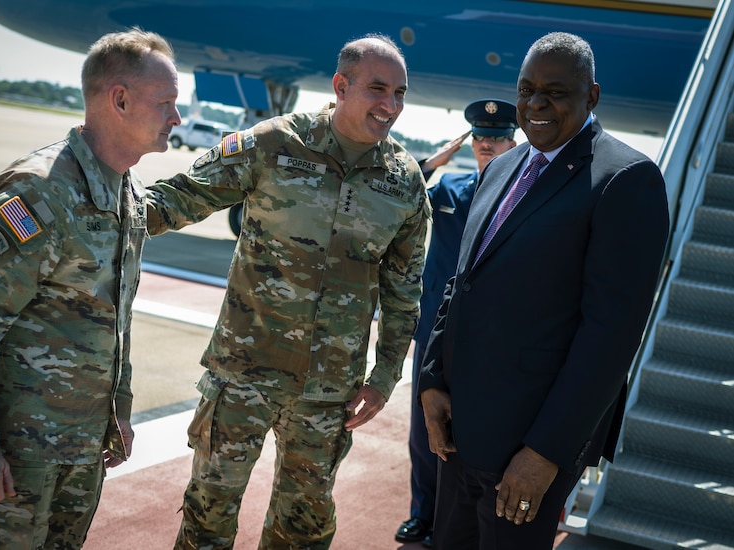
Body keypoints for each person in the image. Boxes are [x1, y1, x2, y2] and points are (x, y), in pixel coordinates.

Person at [145, 33, 429, 549]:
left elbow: (404, 296)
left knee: (304, 530)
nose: (391, 106)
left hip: (328, 394)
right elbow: (178, 198)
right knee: (207, 516)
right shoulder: (274, 144)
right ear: (341, 86)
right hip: (243, 375)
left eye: (401, 93)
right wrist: (89, 205)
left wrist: (383, 379)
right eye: (378, 89)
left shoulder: (405, 182)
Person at [0, 28, 182, 548]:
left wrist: (120, 411)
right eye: (167, 103)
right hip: (15, 459)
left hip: (80, 450)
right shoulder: (40, 192)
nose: (177, 118)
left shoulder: (124, 192)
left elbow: (114, 320)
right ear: (121, 100)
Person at [418, 31, 669, 549]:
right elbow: (460, 283)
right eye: (527, 88)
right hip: (460, 429)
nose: (535, 104)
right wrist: (433, 378)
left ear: (592, 96)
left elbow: (610, 337)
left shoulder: (625, 180)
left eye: (555, 92)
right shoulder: (503, 166)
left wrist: (546, 452)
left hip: (525, 447)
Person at [396, 99, 518, 548]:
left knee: (472, 432)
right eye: (480, 137)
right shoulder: (449, 189)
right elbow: (397, 195)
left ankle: (457, 524)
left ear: (512, 142)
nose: (487, 144)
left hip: (486, 336)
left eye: (497, 136)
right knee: (422, 428)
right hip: (433, 331)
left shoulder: (520, 198)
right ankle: (421, 515)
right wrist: (429, 164)